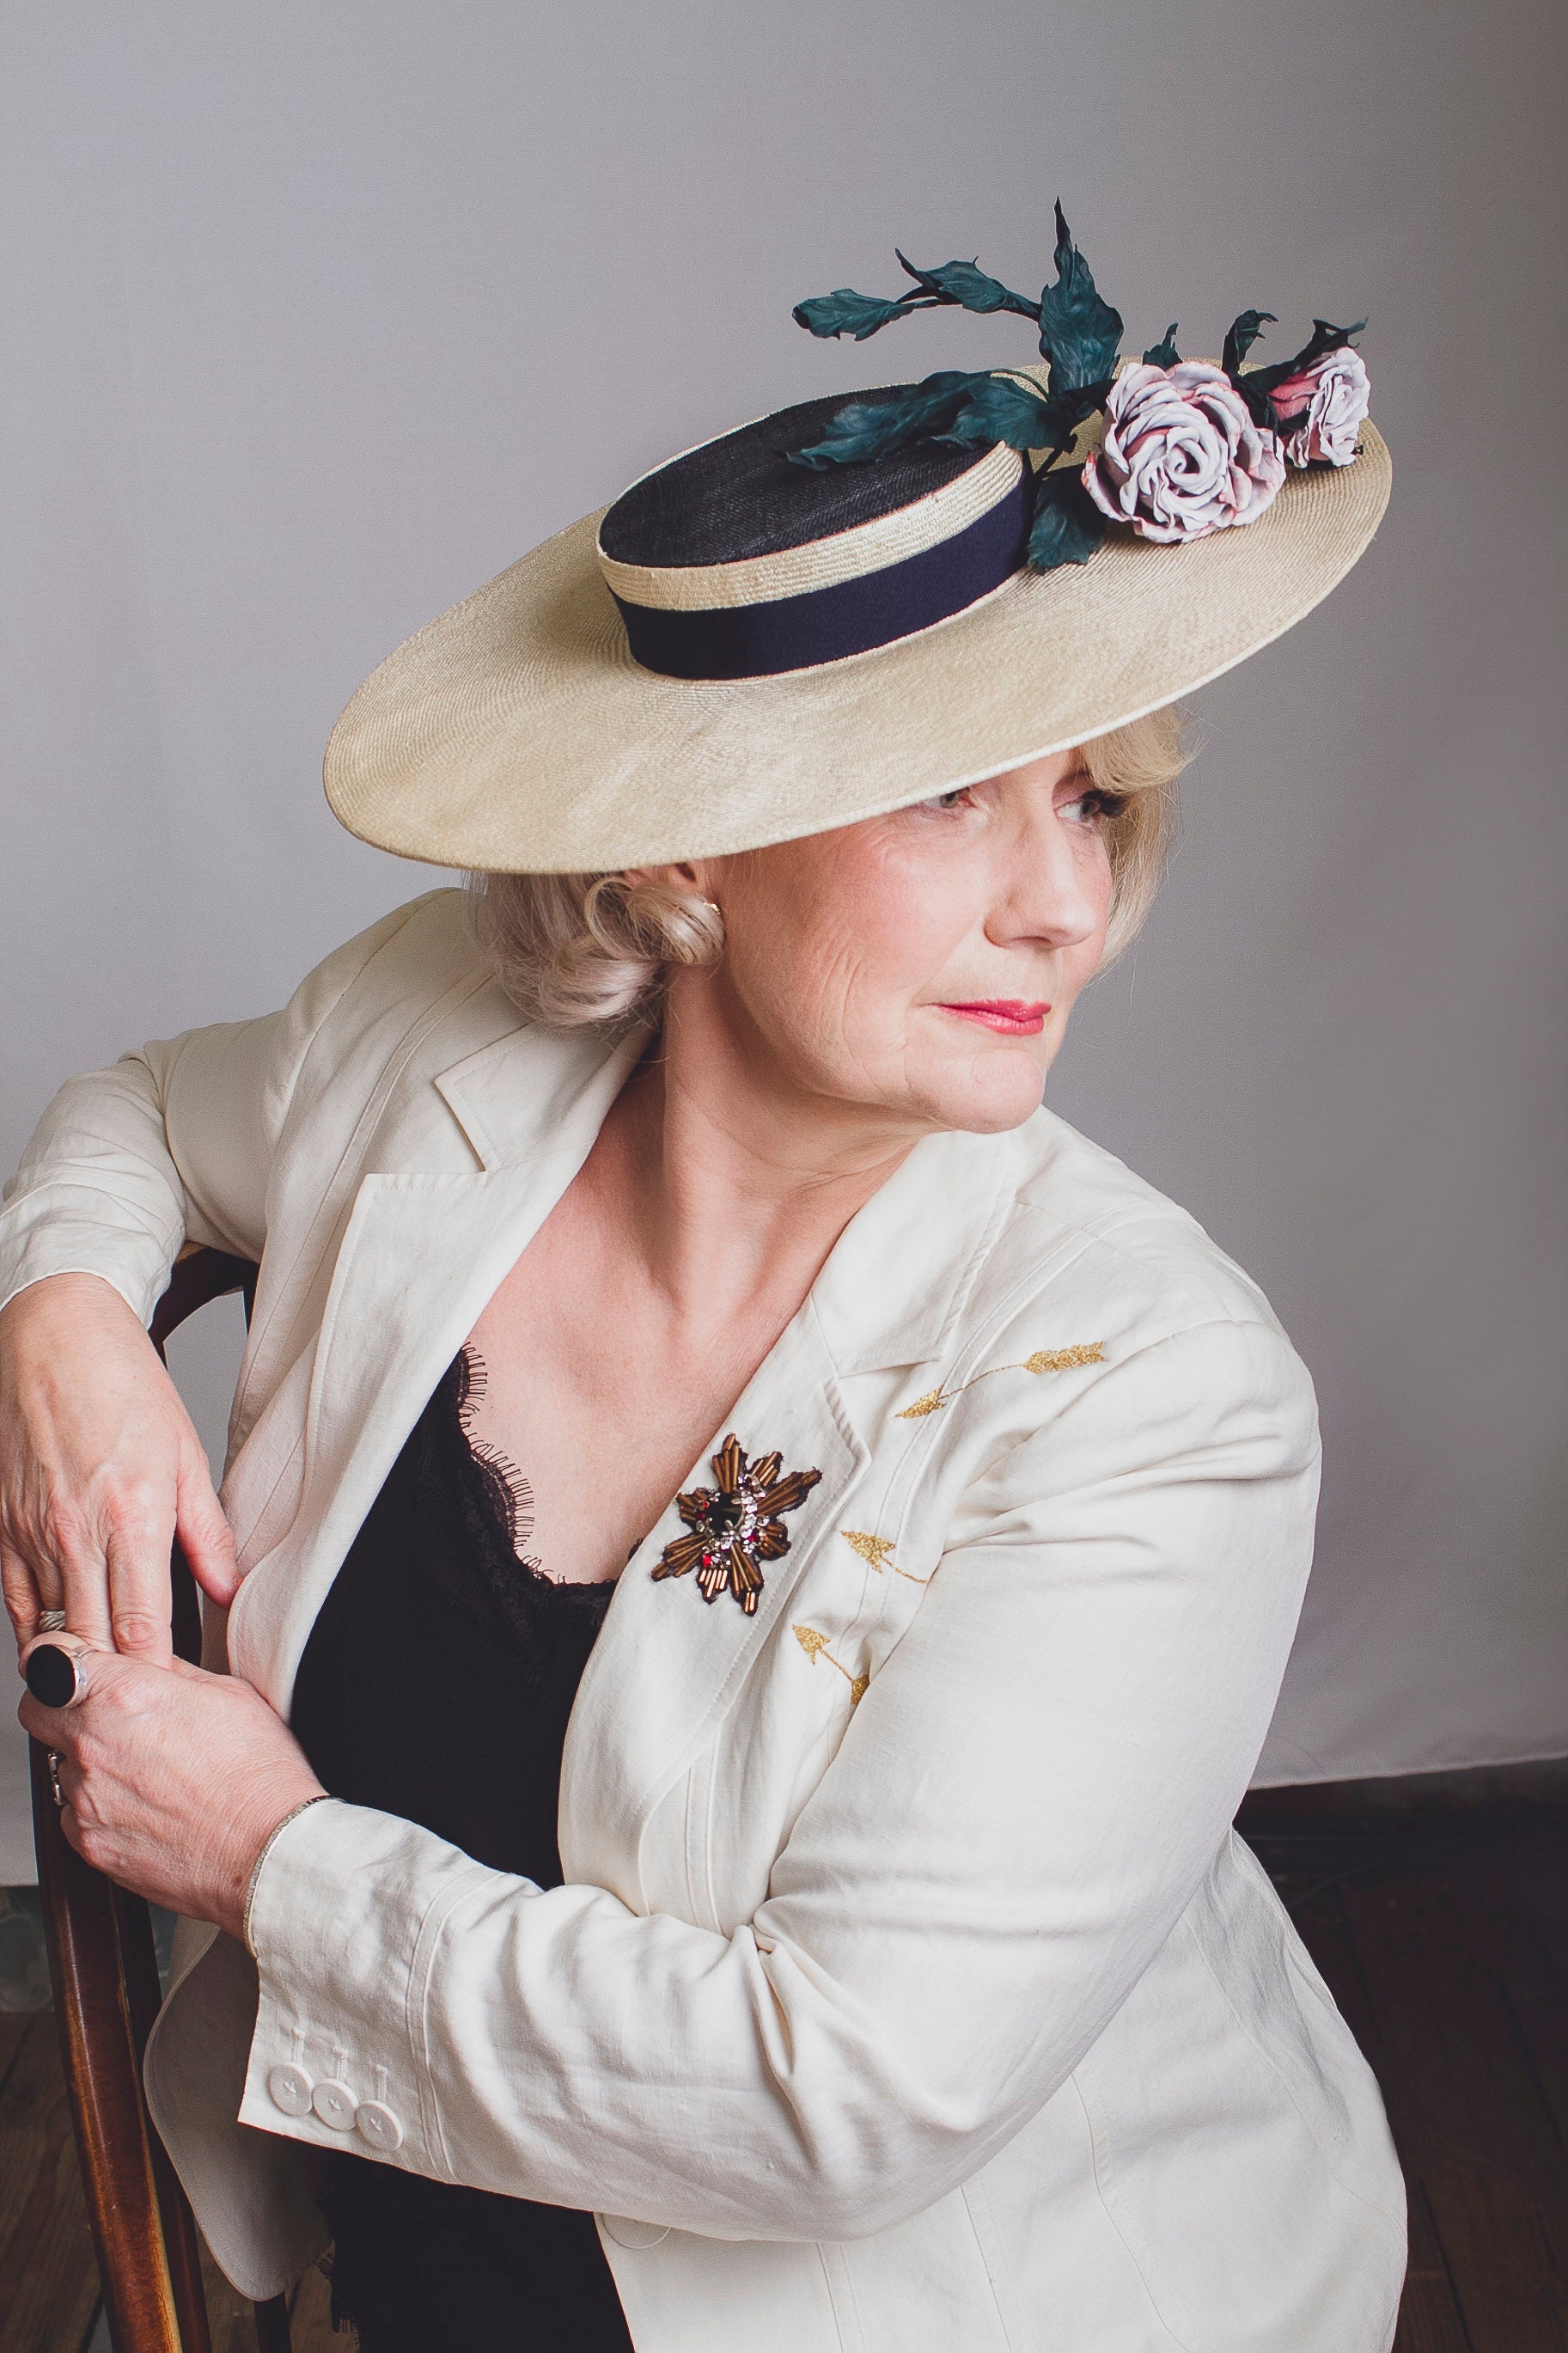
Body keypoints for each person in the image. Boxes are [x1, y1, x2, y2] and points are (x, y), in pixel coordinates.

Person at [2, 220, 1404, 2352]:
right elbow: (132, 1119)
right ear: (688, 847)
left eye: (1087, 799)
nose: (1060, 903)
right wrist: (70, 1324)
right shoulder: (437, 1044)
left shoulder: (1158, 1396)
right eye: (955, 794)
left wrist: (271, 1861)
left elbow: (836, 2095)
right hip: (426, 2269)